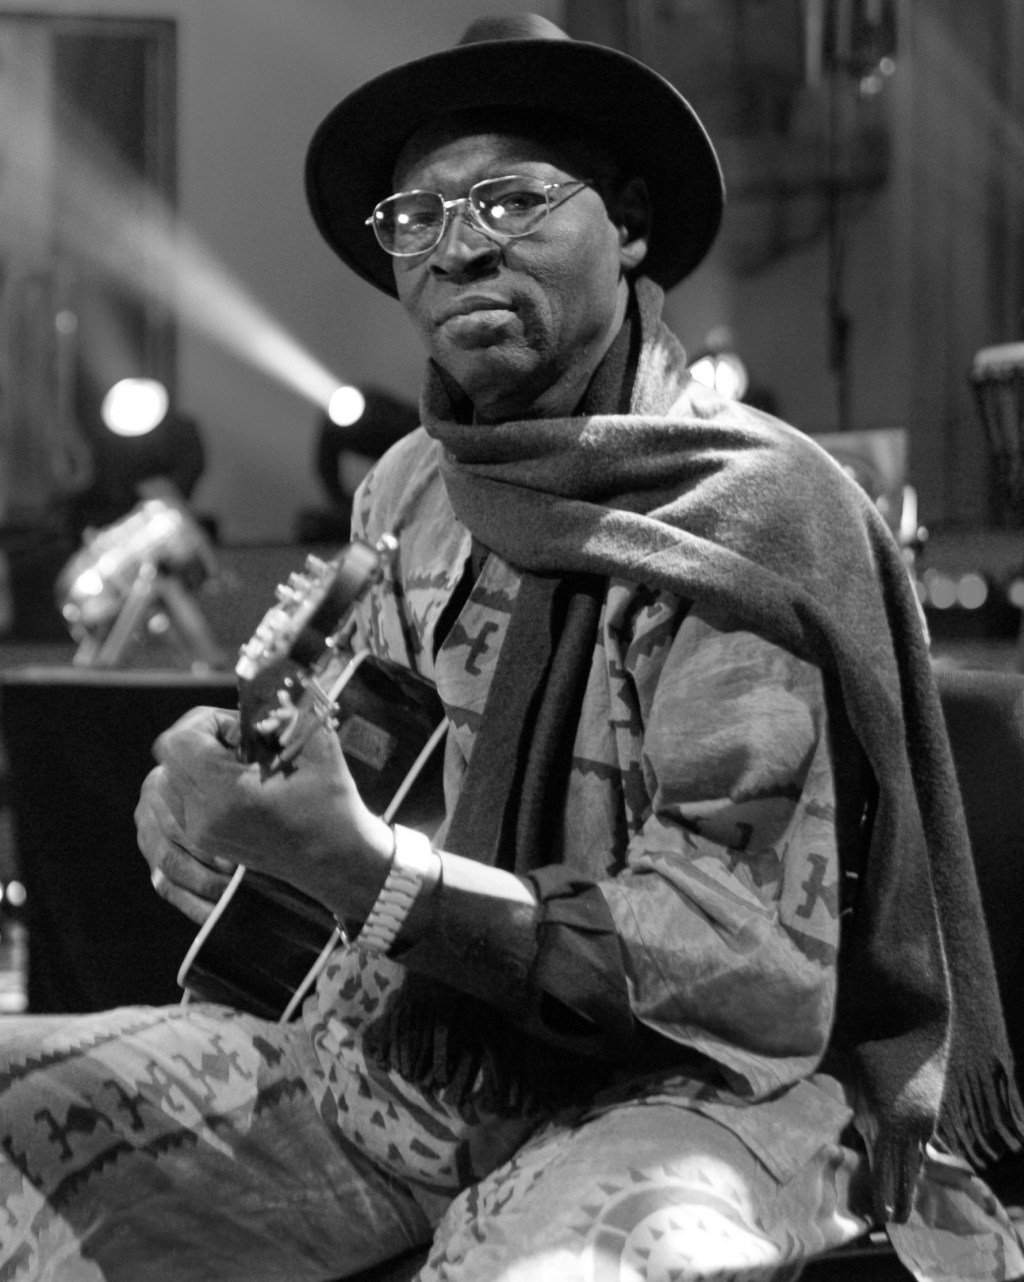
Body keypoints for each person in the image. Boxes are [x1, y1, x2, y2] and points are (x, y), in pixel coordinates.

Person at [2, 13, 1023, 1282]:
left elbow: (750, 967)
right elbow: (376, 773)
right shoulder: (406, 491)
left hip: (714, 1092)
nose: (456, 245)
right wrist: (226, 818)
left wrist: (380, 880)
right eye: (415, 218)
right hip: (419, 1058)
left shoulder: (752, 518)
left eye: (510, 199)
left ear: (630, 226)